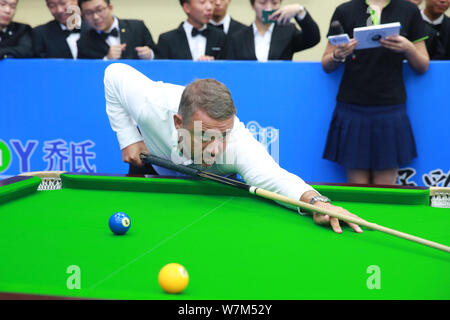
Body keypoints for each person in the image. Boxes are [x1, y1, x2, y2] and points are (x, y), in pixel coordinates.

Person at [104, 62, 365, 234]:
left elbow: (274, 177)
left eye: (223, 135)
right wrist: (128, 137)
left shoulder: (238, 145)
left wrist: (317, 202)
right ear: (178, 122)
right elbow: (114, 73)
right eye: (205, 136)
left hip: (212, 192)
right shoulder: (152, 105)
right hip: (154, 171)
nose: (216, 150)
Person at [321, 0, 430, 185]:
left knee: (385, 187)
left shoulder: (409, 9)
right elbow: (326, 63)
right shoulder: (345, 10)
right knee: (358, 187)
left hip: (390, 107)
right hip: (352, 106)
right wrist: (337, 55)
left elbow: (422, 65)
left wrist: (408, 48)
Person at [226, 0, 320, 61]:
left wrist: (300, 11)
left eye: (274, 3)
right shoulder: (238, 37)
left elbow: (313, 38)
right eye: (262, 3)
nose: (268, 8)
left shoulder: (288, 31)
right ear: (253, 5)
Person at [77, 0, 157, 60]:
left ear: (110, 8)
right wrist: (107, 59)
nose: (96, 17)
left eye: (100, 10)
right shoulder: (83, 41)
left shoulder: (137, 27)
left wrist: (150, 55)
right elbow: (86, 70)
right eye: (89, 13)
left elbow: (159, 55)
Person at [157, 0, 227, 61]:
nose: (210, 7)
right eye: (202, 2)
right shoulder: (167, 40)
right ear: (187, 7)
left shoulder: (220, 36)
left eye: (211, 2)